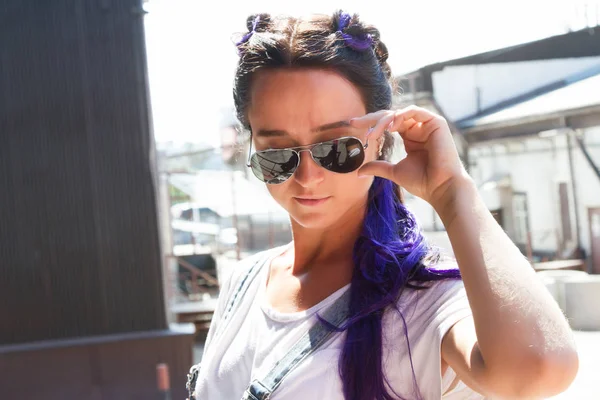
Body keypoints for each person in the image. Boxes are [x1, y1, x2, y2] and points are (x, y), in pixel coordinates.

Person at [189, 10, 578, 400]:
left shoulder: (421, 298)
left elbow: (538, 371)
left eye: (337, 148)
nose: (307, 176)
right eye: (278, 152)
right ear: (252, 144)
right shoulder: (244, 281)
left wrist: (453, 194)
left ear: (380, 139)